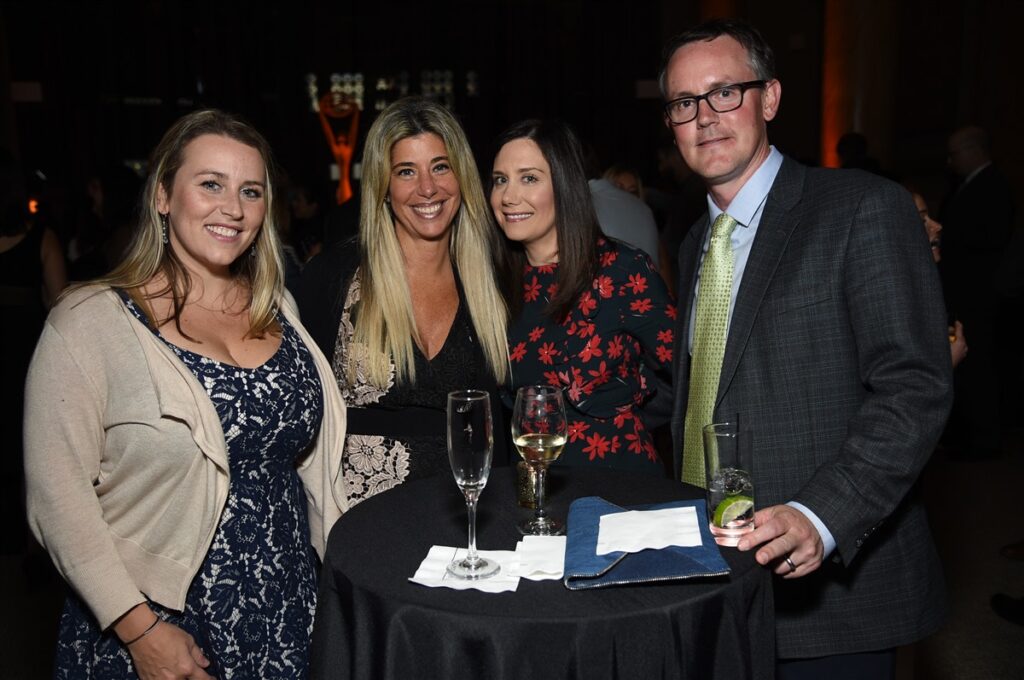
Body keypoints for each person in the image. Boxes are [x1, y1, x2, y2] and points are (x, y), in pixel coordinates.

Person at [661, 20, 951, 678]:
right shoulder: (694, 241)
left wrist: (822, 515)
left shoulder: (862, 208)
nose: (704, 116)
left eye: (725, 92)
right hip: (717, 577)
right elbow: (716, 385)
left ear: (769, 98)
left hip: (836, 594)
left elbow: (914, 387)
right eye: (684, 102)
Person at [23, 109, 348, 679]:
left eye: (250, 191)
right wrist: (139, 630)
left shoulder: (278, 308)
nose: (233, 208)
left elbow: (312, 466)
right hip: (159, 622)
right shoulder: (89, 322)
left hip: (288, 607)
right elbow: (58, 501)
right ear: (163, 196)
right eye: (210, 184)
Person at [294, 97, 509, 507]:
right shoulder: (334, 277)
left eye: (440, 167)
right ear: (383, 187)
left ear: (462, 176)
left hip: (459, 517)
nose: (427, 188)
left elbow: (492, 425)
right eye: (406, 171)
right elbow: (300, 417)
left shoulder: (486, 282)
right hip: (358, 522)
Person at [491, 119, 675, 475]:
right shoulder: (493, 284)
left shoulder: (621, 271)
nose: (508, 196)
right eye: (500, 180)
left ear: (564, 186)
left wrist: (627, 414)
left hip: (619, 482)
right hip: (530, 485)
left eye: (529, 178)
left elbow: (685, 377)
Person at [0, 150, 66, 555]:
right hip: (24, 352)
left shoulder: (44, 235)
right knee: (28, 445)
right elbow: (61, 306)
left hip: (22, 353)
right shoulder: (42, 237)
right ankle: (30, 545)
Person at [939, 125, 1014, 459]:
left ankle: (984, 440)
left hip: (980, 293)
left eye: (954, 154)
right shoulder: (964, 185)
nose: (950, 162)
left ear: (974, 150)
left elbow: (990, 240)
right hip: (965, 291)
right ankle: (969, 436)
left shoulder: (994, 185)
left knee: (980, 364)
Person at [910, 190, 967, 367]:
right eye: (922, 220)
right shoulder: (899, 296)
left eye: (930, 217)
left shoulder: (925, 284)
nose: (937, 226)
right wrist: (947, 363)